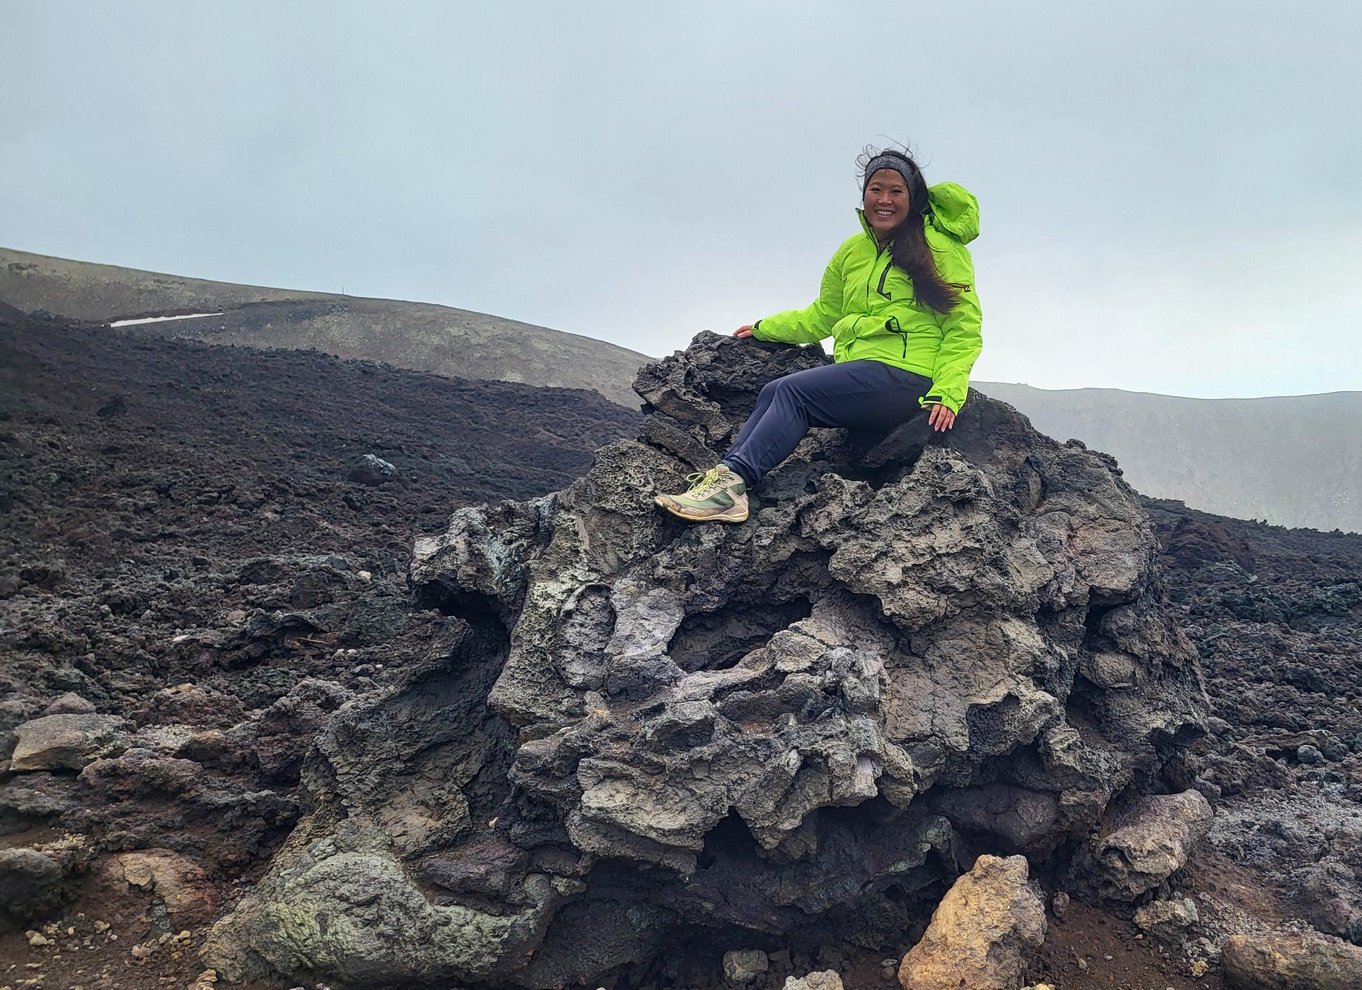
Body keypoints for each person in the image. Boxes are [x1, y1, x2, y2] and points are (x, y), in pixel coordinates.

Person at [654, 147, 983, 524]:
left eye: (896, 191)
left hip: (912, 377)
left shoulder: (939, 245)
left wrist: (949, 391)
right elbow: (824, 315)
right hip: (866, 372)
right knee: (773, 390)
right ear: (864, 195)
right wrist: (765, 328)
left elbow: (964, 326)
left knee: (795, 393)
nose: (885, 200)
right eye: (876, 189)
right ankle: (725, 481)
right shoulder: (852, 251)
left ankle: (733, 485)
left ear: (913, 197)